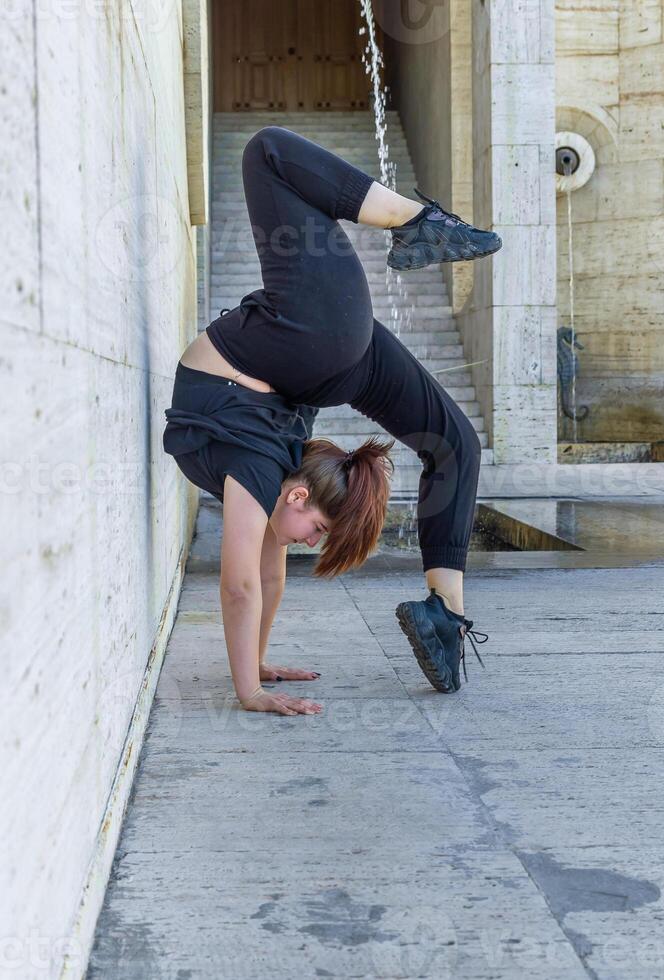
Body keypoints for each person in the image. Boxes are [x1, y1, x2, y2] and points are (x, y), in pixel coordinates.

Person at [163, 126, 498, 717]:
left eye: (314, 531)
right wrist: (253, 681)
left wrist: (254, 679)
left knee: (268, 152)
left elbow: (248, 583)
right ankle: (415, 220)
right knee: (454, 446)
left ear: (296, 493)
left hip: (321, 345)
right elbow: (253, 581)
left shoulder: (259, 469)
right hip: (321, 349)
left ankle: (445, 614)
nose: (310, 541)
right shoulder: (264, 468)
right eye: (319, 530)